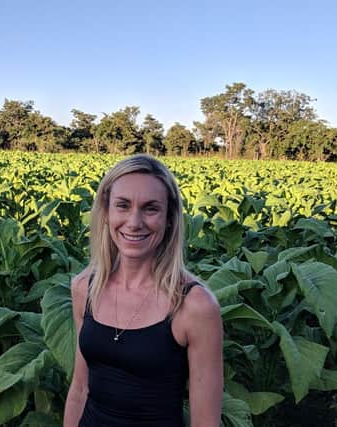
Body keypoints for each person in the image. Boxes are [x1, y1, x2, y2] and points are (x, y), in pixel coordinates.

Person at [64, 154, 223, 427]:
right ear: (106, 213)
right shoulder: (84, 288)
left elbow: (205, 422)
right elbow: (80, 389)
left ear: (169, 219)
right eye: (122, 206)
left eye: (150, 209)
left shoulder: (194, 306)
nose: (134, 222)